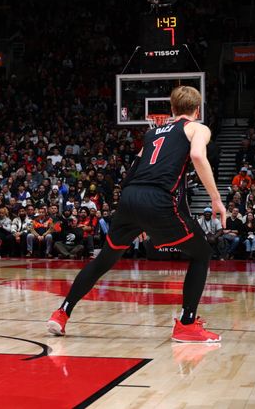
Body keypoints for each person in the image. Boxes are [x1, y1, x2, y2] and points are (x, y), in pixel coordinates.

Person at [47, 86, 226, 343]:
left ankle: (61, 313)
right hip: (157, 199)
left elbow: (133, 168)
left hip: (130, 197)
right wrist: (216, 198)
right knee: (202, 253)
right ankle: (187, 324)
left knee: (104, 260)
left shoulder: (152, 133)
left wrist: (136, 213)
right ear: (197, 110)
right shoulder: (198, 128)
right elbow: (197, 154)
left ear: (172, 110)